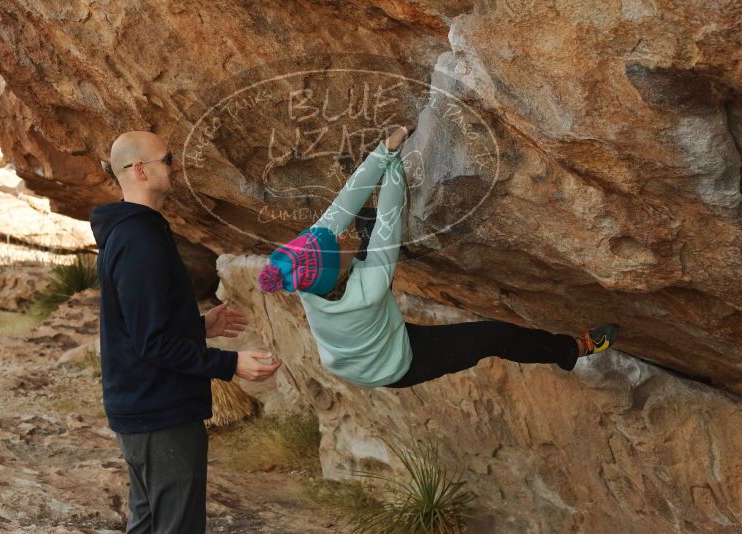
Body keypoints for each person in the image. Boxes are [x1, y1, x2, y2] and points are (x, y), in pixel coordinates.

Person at [258, 125, 619, 388]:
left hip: (360, 341)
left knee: (365, 228)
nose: (336, 234)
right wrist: (394, 166)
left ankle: (371, 251)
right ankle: (574, 348)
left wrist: (385, 149)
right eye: (335, 243)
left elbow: (342, 204)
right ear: (337, 271)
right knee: (493, 336)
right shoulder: (368, 289)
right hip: (393, 364)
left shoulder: (307, 273)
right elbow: (389, 218)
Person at [90, 131, 281, 534]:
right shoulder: (139, 238)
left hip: (144, 407)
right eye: (168, 159)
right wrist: (230, 364)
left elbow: (138, 326)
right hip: (159, 413)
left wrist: (199, 327)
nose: (174, 166)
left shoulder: (134, 231)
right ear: (139, 170)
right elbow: (152, 342)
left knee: (148, 522)